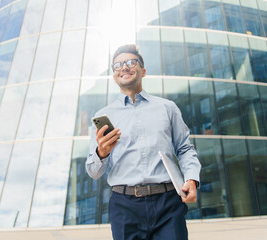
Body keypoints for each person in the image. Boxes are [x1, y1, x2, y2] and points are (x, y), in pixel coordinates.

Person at [86, 44, 201, 240]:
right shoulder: (103, 116)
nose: (125, 67)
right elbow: (93, 172)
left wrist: (191, 178)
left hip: (168, 203)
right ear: (114, 76)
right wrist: (101, 153)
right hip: (124, 207)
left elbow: (184, 148)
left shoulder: (167, 108)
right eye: (118, 65)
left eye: (131, 62)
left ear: (143, 70)